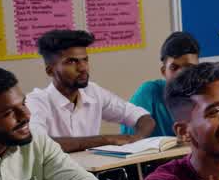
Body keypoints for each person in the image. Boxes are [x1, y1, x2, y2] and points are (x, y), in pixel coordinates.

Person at [26, 29, 155, 153]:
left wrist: (137, 140)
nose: (83, 68)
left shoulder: (93, 92)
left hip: (93, 173)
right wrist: (105, 140)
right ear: (50, 70)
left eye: (85, 60)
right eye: (71, 61)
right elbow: (38, 143)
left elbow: (142, 117)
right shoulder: (36, 101)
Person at [124, 31, 200, 138]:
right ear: (164, 71)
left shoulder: (207, 95)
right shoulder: (150, 93)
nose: (181, 74)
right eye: (174, 68)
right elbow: (130, 139)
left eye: (189, 68)